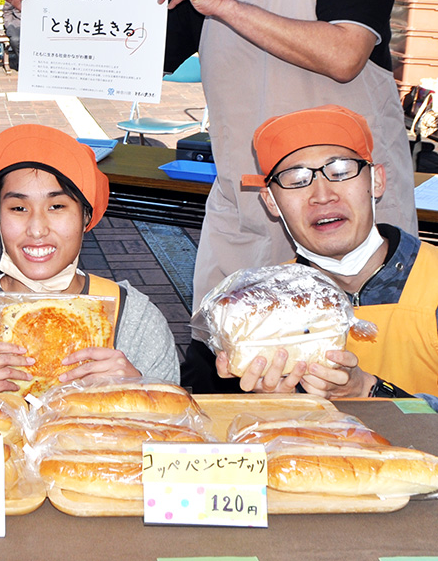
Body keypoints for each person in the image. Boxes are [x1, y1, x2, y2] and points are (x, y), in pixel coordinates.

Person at [4, 0, 416, 310]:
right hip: (248, 213)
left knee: (357, 370)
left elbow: (346, 53)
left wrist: (221, 4)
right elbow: (125, 54)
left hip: (347, 213)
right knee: (228, 366)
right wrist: (37, 12)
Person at [187, 104, 437, 411]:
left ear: (376, 181)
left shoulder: (432, 280)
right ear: (271, 202)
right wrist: (265, 407)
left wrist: (367, 390)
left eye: (341, 172)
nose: (322, 195)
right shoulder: (250, 312)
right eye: (296, 180)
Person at [0, 124, 179, 391]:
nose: (37, 229)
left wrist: (140, 391)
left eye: (57, 206)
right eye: (18, 208)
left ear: (86, 216)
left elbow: (181, 425)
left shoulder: (134, 321)